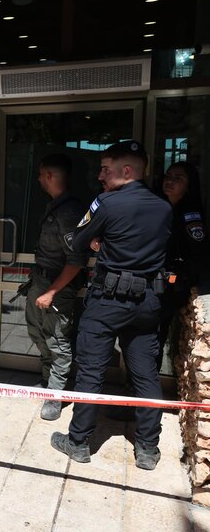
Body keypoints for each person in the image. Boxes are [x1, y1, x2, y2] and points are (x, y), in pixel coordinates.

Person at [50, 141, 171, 470]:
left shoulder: (106, 202)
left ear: (127, 170)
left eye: (106, 169)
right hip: (147, 301)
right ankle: (148, 449)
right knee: (146, 375)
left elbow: (76, 241)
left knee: (91, 372)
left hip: (108, 300)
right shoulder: (163, 206)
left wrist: (97, 242)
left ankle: (78, 442)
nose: (100, 176)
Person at [26, 154, 88, 421]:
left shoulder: (69, 212)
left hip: (57, 287)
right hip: (40, 281)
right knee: (37, 333)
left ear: (50, 176)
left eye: (41, 174)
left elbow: (76, 261)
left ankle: (55, 395)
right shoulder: (55, 206)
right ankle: (47, 381)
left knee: (58, 340)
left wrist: (52, 292)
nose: (39, 179)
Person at [157, 161, 205, 369]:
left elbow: (198, 255)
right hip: (148, 282)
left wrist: (179, 275)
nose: (170, 181)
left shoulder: (190, 214)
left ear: (188, 185)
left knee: (159, 337)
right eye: (168, 175)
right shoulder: (155, 205)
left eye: (178, 178)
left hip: (171, 287)